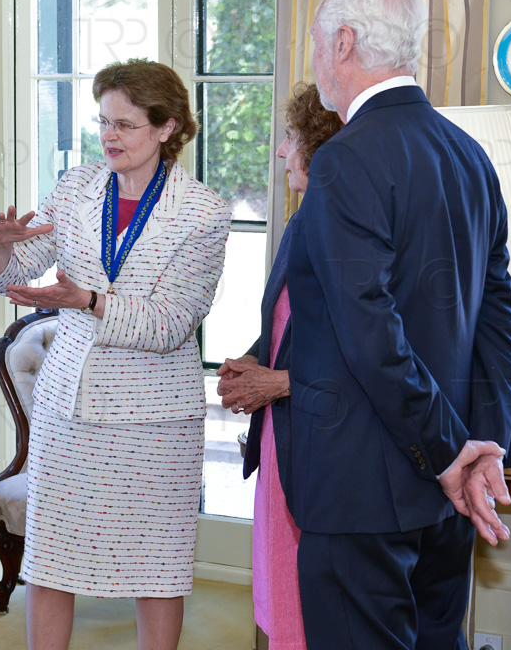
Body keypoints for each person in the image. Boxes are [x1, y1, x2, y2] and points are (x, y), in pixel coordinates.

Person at [286, 0, 511, 649]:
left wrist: (452, 455)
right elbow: (498, 328)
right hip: (448, 491)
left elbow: (370, 332)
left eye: (316, 39)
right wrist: (480, 450)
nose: (315, 56)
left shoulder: (344, 159)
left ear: (343, 43)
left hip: (364, 489)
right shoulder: (470, 154)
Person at [0, 59, 230, 650]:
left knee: (157, 570)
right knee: (50, 563)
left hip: (154, 421)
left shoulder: (204, 212)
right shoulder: (75, 188)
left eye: (125, 124)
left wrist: (88, 301)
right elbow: (12, 274)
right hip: (67, 414)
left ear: (167, 127)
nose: (109, 136)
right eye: (102, 122)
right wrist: (0, 245)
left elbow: (170, 324)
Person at [216, 84, 341, 650]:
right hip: (282, 437)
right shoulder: (302, 218)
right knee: (279, 592)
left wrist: (280, 382)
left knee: (306, 608)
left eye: (291, 137)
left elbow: (367, 350)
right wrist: (255, 360)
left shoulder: (347, 227)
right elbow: (291, 323)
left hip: (323, 443)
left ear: (321, 147)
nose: (280, 151)